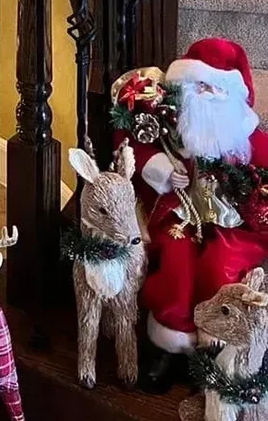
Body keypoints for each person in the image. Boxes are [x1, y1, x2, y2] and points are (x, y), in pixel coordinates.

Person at [116, 39, 268, 390]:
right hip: (181, 212)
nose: (207, 94)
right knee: (177, 264)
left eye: (216, 88)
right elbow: (130, 139)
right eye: (199, 85)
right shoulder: (169, 122)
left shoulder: (245, 134)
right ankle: (168, 342)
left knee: (220, 266)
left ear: (233, 95)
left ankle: (212, 349)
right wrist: (161, 168)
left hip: (231, 221)